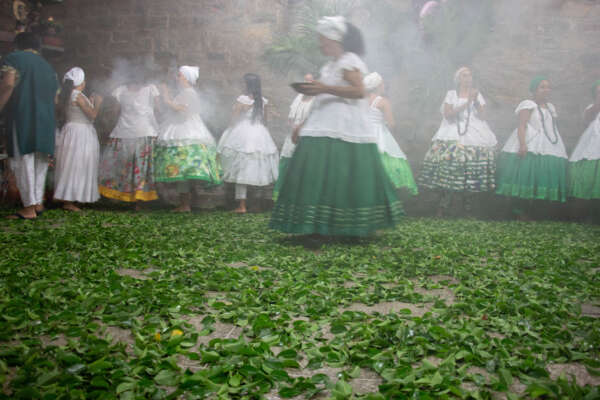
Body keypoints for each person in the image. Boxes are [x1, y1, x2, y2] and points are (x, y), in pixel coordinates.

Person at [269, 16, 402, 237]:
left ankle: (345, 227)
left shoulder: (349, 61)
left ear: (335, 39)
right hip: (322, 125)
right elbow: (322, 97)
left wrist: (324, 88)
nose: (320, 44)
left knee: (339, 175)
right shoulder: (330, 65)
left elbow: (359, 91)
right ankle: (316, 226)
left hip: (344, 128)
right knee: (317, 173)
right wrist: (303, 123)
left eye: (323, 40)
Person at [418, 66, 497, 216]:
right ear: (458, 79)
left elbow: (483, 116)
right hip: (452, 131)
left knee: (471, 168)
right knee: (450, 165)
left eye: (470, 75)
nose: (468, 78)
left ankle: (468, 209)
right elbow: (448, 114)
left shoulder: (477, 95)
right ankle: (442, 207)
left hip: (475, 133)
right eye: (464, 76)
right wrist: (466, 103)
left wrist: (476, 101)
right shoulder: (451, 94)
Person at [0, 33, 58, 219]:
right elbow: (55, 98)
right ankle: (37, 203)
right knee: (40, 160)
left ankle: (28, 208)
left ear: (17, 45)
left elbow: (8, 84)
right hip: (46, 118)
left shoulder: (14, 58)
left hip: (23, 115)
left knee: (23, 158)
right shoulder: (48, 67)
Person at [496, 76, 568, 219]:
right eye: (542, 87)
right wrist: (523, 144)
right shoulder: (528, 104)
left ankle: (536, 211)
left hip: (548, 144)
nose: (546, 90)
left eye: (548, 87)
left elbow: (550, 127)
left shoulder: (551, 107)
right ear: (534, 90)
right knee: (525, 175)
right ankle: (519, 210)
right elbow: (522, 125)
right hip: (531, 141)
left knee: (542, 175)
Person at [155, 66, 222, 212]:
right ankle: (184, 204)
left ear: (185, 77)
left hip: (186, 130)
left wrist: (166, 96)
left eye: (179, 75)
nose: (176, 77)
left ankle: (185, 204)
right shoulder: (185, 92)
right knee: (182, 169)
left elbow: (182, 111)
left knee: (183, 168)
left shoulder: (189, 92)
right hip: (182, 127)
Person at [217, 73, 278, 214]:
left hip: (242, 133)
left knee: (240, 169)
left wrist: (229, 128)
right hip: (259, 133)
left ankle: (242, 205)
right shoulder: (263, 101)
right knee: (256, 169)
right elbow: (265, 121)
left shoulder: (243, 99)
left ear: (247, 85)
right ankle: (256, 204)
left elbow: (233, 119)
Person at [98, 71, 160, 210]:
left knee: (126, 166)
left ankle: (128, 198)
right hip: (139, 132)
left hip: (129, 132)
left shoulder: (127, 90)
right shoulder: (149, 89)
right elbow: (158, 109)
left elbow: (114, 112)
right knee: (139, 168)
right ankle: (137, 200)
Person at [53, 67, 102, 211]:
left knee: (71, 164)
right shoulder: (78, 95)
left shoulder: (68, 94)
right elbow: (92, 115)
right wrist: (98, 102)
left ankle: (72, 197)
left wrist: (90, 101)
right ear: (82, 81)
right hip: (80, 133)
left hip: (72, 131)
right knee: (77, 165)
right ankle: (69, 201)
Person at [364, 72, 417, 195]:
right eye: (382, 83)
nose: (384, 85)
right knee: (387, 162)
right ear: (377, 85)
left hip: (365, 134)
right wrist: (389, 128)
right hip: (379, 134)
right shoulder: (383, 101)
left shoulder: (362, 100)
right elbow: (392, 123)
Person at [272, 73, 315, 201]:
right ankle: (283, 192)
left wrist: (300, 129)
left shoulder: (316, 100)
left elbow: (312, 119)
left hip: (307, 134)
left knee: (304, 163)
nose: (306, 84)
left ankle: (303, 194)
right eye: (305, 81)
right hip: (292, 133)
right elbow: (291, 116)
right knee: (286, 160)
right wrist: (290, 125)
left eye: (309, 81)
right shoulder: (298, 97)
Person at [567, 80, 600, 215]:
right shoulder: (591, 108)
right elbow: (586, 121)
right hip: (593, 145)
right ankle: (589, 213)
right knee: (589, 176)